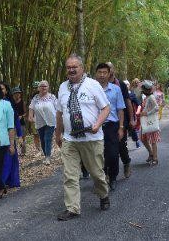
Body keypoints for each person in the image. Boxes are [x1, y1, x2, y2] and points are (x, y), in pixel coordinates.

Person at [55, 54, 110, 221]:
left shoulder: (93, 85)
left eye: (75, 67)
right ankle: (72, 208)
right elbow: (59, 112)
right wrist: (58, 133)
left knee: (96, 173)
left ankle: (103, 195)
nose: (71, 70)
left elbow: (106, 108)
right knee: (70, 175)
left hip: (91, 139)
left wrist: (97, 124)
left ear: (82, 68)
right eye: (68, 67)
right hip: (70, 139)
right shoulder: (63, 87)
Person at [95, 63, 126, 190]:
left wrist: (121, 127)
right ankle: (103, 177)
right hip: (96, 126)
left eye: (104, 72)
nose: (102, 75)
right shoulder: (91, 88)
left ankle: (112, 177)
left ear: (109, 74)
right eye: (99, 72)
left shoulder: (116, 89)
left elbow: (120, 109)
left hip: (112, 126)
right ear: (96, 74)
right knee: (98, 154)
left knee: (113, 154)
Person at [106, 62, 132, 178]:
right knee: (106, 148)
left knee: (121, 145)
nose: (108, 71)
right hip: (106, 121)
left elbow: (128, 102)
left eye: (110, 68)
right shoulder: (98, 85)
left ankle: (126, 163)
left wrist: (131, 119)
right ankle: (108, 174)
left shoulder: (120, 84)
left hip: (121, 119)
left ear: (113, 70)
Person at [28, 80, 58, 165]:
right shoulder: (36, 98)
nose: (43, 87)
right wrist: (30, 116)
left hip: (51, 121)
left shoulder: (52, 97)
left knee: (47, 138)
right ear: (38, 88)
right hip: (39, 121)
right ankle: (46, 154)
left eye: (45, 86)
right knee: (42, 140)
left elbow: (58, 108)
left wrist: (60, 120)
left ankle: (48, 157)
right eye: (42, 86)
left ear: (48, 87)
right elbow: (31, 107)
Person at [0, 82, 21, 190]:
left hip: (9, 134)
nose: (0, 90)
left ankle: (5, 181)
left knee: (9, 157)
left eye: (2, 88)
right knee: (1, 159)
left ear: (6, 91)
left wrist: (20, 134)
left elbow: (16, 118)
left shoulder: (9, 102)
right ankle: (2, 181)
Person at [138, 81, 160, 165]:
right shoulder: (146, 97)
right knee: (143, 139)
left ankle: (155, 157)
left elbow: (157, 108)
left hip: (150, 121)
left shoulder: (151, 97)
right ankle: (151, 153)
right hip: (145, 121)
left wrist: (147, 113)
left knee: (153, 140)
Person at [11, 87, 27, 156]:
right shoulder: (10, 102)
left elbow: (26, 112)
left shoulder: (22, 102)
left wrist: (21, 116)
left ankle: (23, 151)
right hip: (12, 122)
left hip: (21, 122)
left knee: (22, 136)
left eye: (18, 93)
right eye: (15, 93)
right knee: (13, 137)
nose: (17, 95)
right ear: (13, 94)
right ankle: (14, 151)